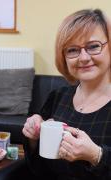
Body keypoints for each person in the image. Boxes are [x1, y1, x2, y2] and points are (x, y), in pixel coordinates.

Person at [22, 9, 111, 180]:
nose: (83, 58)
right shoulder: (57, 97)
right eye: (72, 50)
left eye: (93, 46)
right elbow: (38, 169)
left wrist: (96, 155)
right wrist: (33, 138)